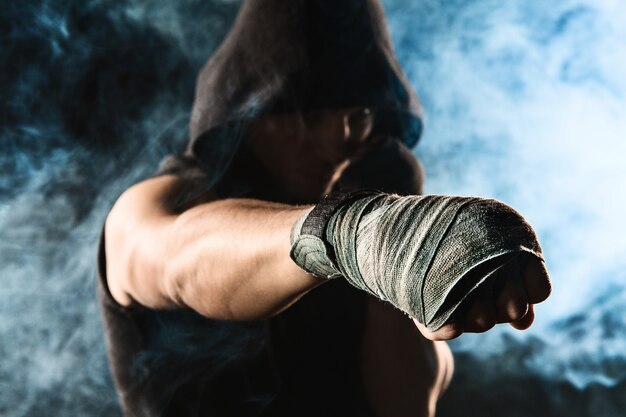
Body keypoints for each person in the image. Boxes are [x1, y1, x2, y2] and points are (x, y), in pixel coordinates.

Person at [98, 1, 552, 416]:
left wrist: (402, 241)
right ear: (245, 114)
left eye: (355, 116)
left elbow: (405, 407)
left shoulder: (368, 232)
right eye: (308, 114)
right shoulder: (153, 206)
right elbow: (180, 259)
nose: (335, 138)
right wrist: (351, 232)